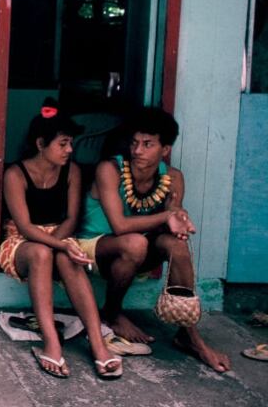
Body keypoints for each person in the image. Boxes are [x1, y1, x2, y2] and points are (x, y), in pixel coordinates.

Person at [77, 107, 231, 373]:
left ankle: (189, 335)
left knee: (177, 246)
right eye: (135, 143)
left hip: (138, 252)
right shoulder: (110, 169)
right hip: (94, 247)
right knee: (135, 242)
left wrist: (179, 218)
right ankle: (112, 313)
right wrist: (166, 217)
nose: (138, 150)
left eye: (148, 144)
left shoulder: (172, 178)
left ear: (165, 149)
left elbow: (173, 219)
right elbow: (120, 226)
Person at [0, 99, 122, 379]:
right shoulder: (15, 174)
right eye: (63, 144)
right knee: (43, 253)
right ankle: (52, 343)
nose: (70, 150)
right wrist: (58, 245)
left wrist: (60, 243)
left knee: (66, 257)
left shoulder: (72, 171)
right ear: (41, 144)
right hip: (20, 242)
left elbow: (70, 218)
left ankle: (98, 344)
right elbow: (25, 227)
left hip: (60, 234)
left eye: (70, 143)